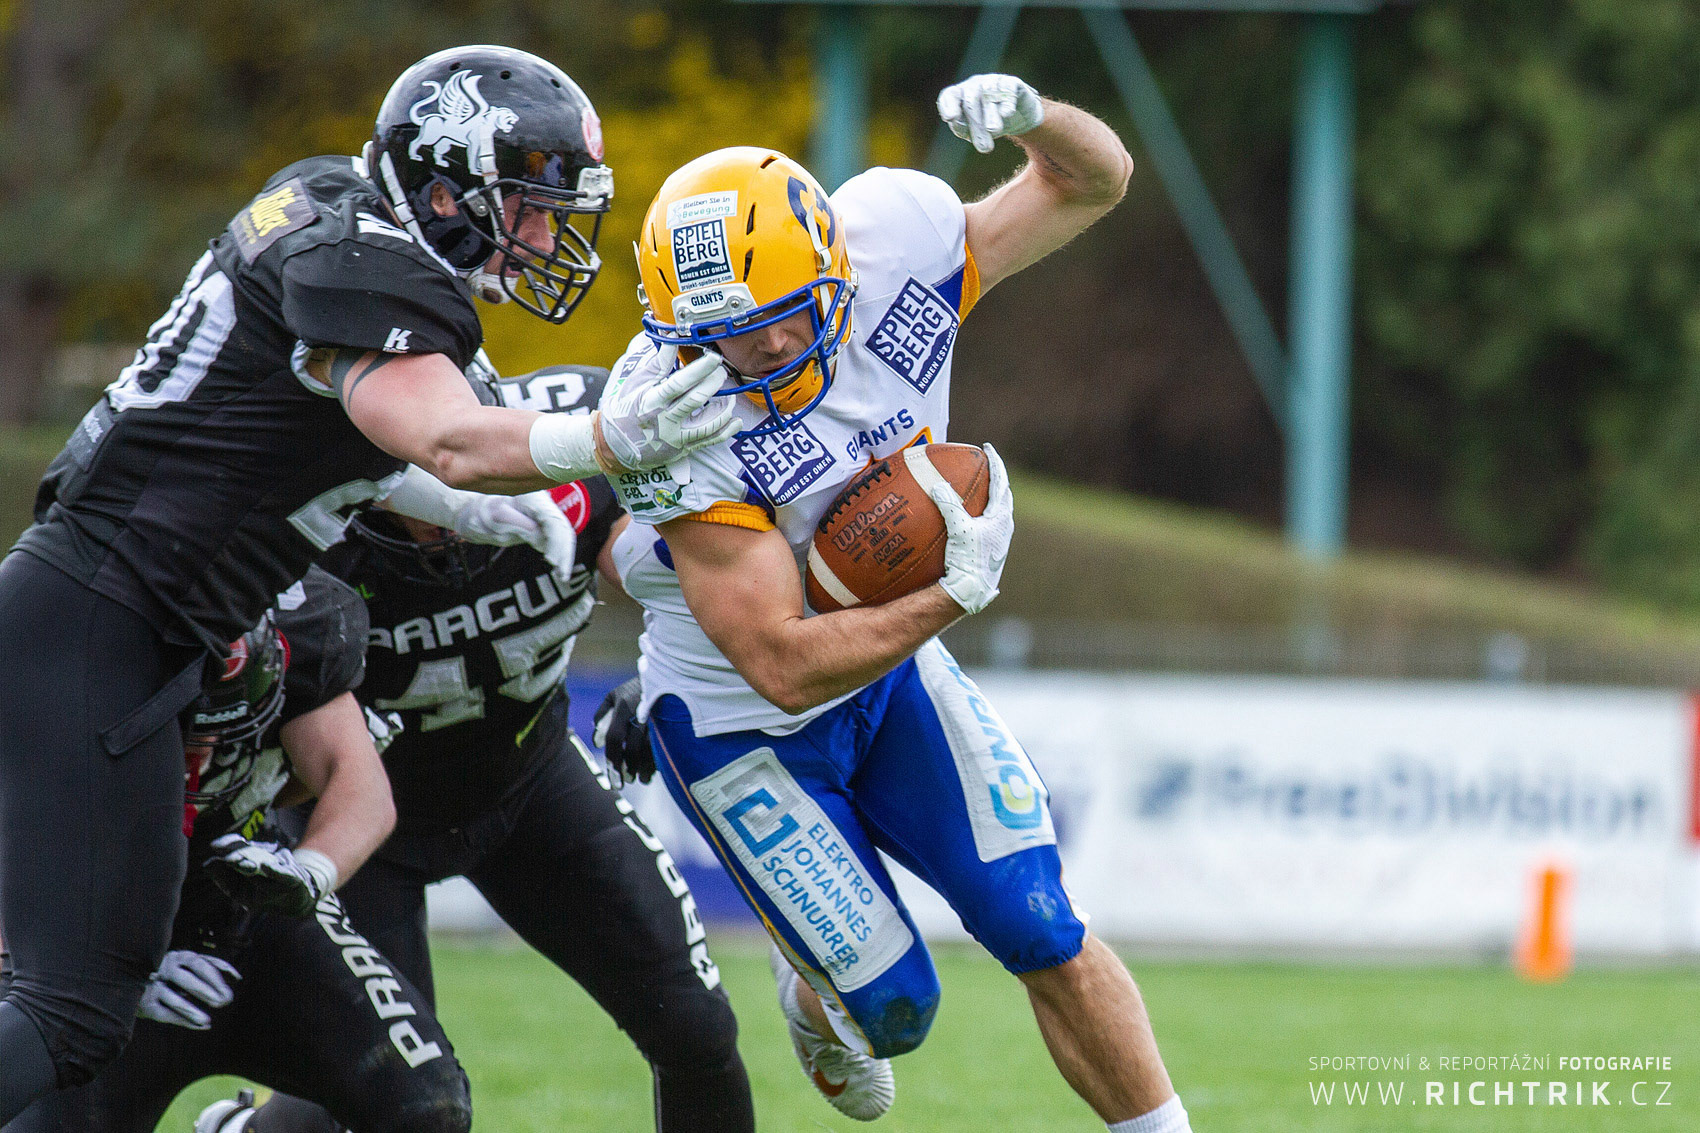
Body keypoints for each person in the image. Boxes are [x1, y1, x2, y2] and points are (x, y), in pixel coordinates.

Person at [0, 44, 735, 1121]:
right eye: (527, 208)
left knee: (83, 1010)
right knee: (71, 1012)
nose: (542, 238)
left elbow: (350, 440)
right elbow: (447, 438)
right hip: (108, 615)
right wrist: (604, 438)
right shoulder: (362, 265)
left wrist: (487, 507)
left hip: (117, 615)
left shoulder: (325, 211)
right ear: (442, 188)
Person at [599, 74, 1192, 1131]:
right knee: (898, 1009)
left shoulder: (897, 246)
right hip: (741, 720)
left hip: (887, 673)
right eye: (727, 333)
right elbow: (780, 663)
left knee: (1041, 923)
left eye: (780, 321)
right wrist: (952, 594)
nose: (757, 353)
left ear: (835, 268)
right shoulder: (669, 416)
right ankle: (811, 987)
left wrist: (1034, 117)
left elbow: (1091, 181)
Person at [238, 365, 754, 1133]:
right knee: (383, 1102)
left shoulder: (576, 449)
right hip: (355, 823)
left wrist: (670, 664)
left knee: (696, 1025)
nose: (446, 518)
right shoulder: (307, 535)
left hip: (528, 780)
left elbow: (679, 579)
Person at [4, 567, 473, 1133]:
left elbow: (361, 787)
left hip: (245, 903)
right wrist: (90, 972)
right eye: (183, 735)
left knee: (426, 1107)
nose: (201, 758)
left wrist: (309, 872)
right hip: (83, 939)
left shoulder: (302, 622)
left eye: (222, 735)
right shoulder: (46, 651)